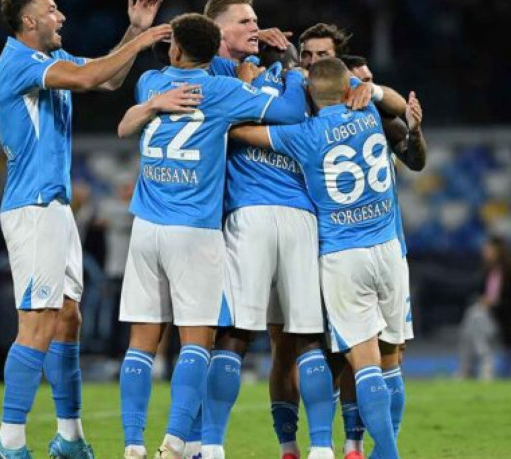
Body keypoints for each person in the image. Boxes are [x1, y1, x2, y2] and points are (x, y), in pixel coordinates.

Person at [115, 13, 307, 459]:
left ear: (175, 49)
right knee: (197, 343)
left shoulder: (150, 84)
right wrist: (288, 75)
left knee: (142, 343)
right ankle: (176, 442)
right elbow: (290, 111)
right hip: (195, 231)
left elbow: (130, 120)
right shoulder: (223, 93)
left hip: (145, 228)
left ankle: (132, 445)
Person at [0, 0, 171, 457]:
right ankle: (9, 443)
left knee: (68, 319)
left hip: (56, 206)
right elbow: (89, 78)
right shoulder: (17, 63)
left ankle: (69, 437)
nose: (63, 16)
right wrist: (148, 41)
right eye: (52, 10)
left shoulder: (51, 61)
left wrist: (132, 31)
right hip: (32, 207)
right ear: (28, 22)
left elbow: (107, 77)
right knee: (37, 321)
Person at [231, 57, 407, 459]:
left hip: (343, 255)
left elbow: (243, 132)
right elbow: (398, 107)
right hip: (389, 250)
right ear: (349, 89)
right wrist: (374, 92)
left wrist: (244, 95)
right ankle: (379, 450)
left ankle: (389, 453)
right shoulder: (369, 116)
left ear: (310, 93)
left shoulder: (303, 134)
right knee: (389, 357)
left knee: (363, 364)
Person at [198, 2, 334, 459]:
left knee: (237, 334)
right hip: (295, 218)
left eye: (257, 21)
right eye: (246, 22)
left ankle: (213, 447)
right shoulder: (301, 83)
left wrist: (256, 57)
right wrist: (289, 62)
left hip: (253, 215)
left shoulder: (235, 78)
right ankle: (321, 449)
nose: (256, 28)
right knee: (305, 336)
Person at [335, 55, 427, 458]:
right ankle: (360, 445)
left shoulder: (383, 121)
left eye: (372, 79)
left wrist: (416, 130)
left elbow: (417, 161)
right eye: (363, 80)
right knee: (357, 356)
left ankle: (374, 449)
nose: (371, 85)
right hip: (350, 251)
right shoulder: (324, 122)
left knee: (391, 354)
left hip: (388, 248)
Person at [457, 236, 511, 380]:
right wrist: (483, 303)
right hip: (484, 320)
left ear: (498, 251)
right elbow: (480, 294)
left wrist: (494, 304)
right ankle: (474, 366)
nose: (484, 252)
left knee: (474, 317)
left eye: (488, 249)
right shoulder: (487, 272)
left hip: (503, 321)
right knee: (472, 319)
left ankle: (476, 365)